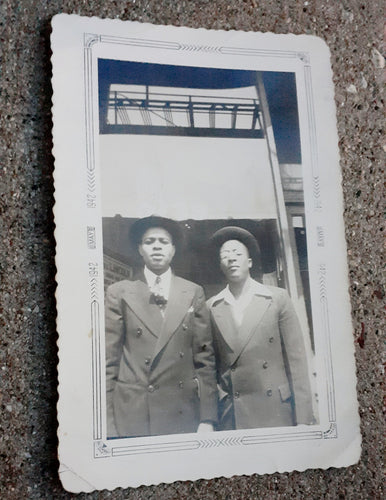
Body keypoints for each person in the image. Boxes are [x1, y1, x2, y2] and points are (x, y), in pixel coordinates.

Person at [105, 215, 217, 438]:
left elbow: (205, 359)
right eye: (149, 241)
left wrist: (207, 418)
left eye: (164, 242)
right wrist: (108, 426)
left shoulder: (193, 291)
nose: (156, 246)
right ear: (140, 249)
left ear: (173, 250)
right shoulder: (119, 292)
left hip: (182, 411)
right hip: (134, 414)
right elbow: (109, 362)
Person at [207, 226, 314, 430]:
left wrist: (303, 419)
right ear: (221, 265)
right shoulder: (212, 306)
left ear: (249, 262)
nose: (231, 259)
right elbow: (209, 366)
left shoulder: (277, 298)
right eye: (225, 255)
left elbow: (296, 361)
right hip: (232, 414)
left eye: (237, 254)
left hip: (275, 410)